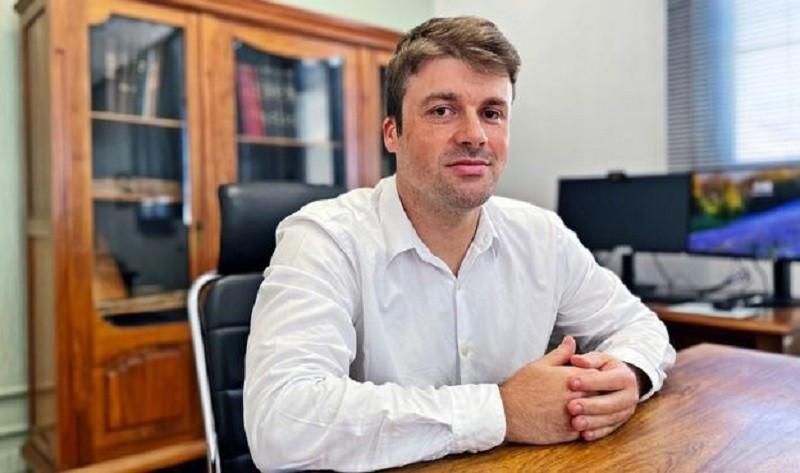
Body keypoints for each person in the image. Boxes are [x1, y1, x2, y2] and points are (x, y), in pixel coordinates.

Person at [243, 16, 675, 472]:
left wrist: (627, 373)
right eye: (442, 111)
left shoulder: (542, 236)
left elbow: (639, 326)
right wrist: (503, 411)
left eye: (492, 112)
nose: (475, 135)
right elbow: (282, 421)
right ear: (392, 133)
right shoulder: (325, 239)